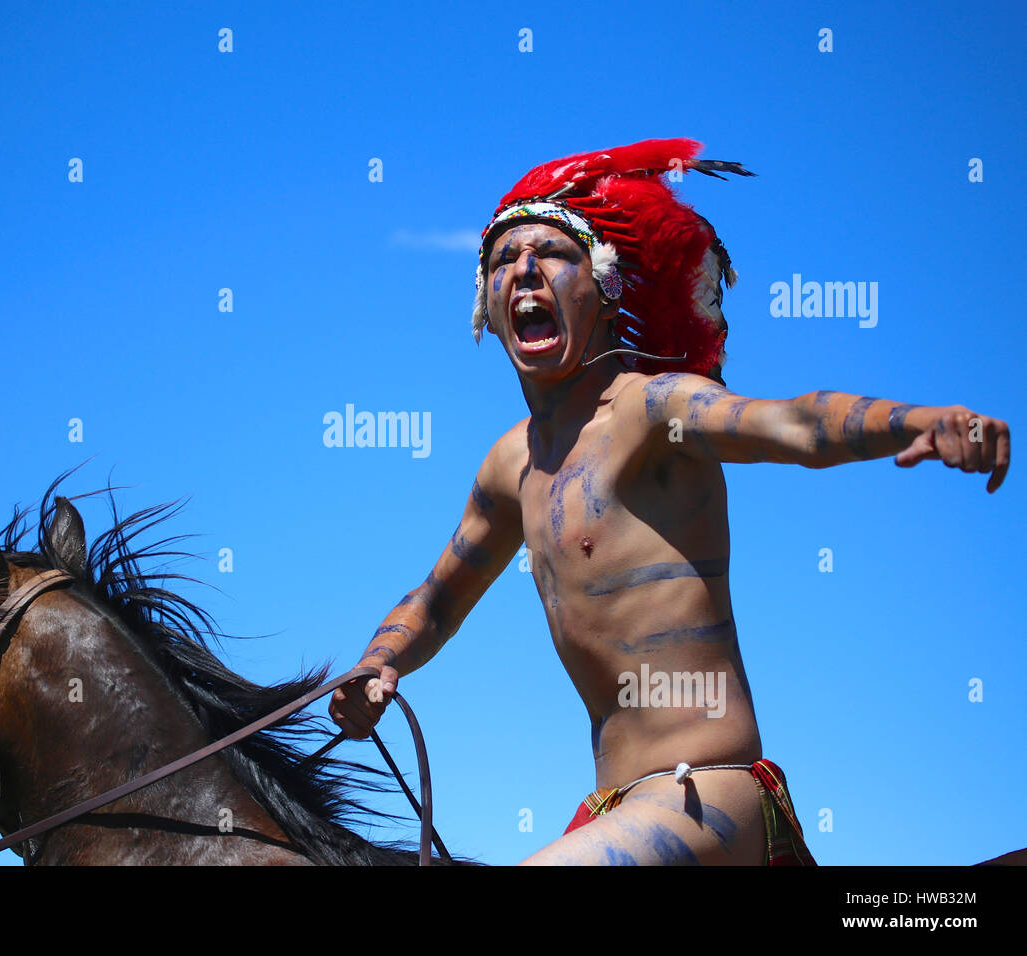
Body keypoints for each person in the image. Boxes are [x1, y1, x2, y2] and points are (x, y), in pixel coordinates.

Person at [328, 138, 1010, 865]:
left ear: (607, 285)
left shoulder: (653, 410)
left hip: (707, 793)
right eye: (503, 260)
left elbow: (793, 422)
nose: (524, 269)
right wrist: (376, 666)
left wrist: (925, 421)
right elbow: (437, 599)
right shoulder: (508, 467)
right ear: (487, 308)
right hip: (611, 809)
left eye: (552, 253)